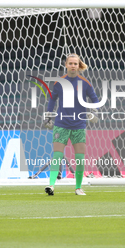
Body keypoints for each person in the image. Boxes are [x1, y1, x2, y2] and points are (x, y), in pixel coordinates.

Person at [43, 53, 99, 196]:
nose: (73, 66)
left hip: (79, 125)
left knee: (80, 158)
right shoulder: (59, 82)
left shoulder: (85, 83)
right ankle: (51, 185)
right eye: (70, 63)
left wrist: (94, 112)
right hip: (61, 124)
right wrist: (49, 116)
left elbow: (94, 99)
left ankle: (78, 187)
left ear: (78, 65)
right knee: (57, 156)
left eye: (75, 63)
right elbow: (52, 99)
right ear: (66, 65)